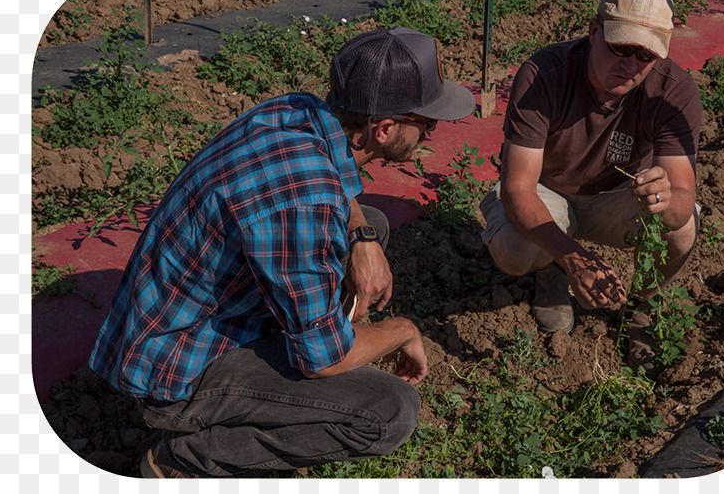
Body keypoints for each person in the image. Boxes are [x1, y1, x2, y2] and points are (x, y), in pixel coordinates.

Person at [88, 26, 475, 478]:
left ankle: (308, 345)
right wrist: (402, 330)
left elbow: (332, 181)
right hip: (178, 370)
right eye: (426, 124)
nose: (430, 133)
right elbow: (322, 360)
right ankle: (184, 462)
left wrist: (363, 238)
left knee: (375, 224)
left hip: (175, 324)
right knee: (390, 412)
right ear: (384, 128)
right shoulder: (305, 200)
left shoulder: (296, 111)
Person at [479, 0, 701, 376]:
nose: (630, 65)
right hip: (546, 192)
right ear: (594, 31)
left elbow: (683, 195)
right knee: (515, 248)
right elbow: (517, 188)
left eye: (644, 55)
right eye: (620, 48)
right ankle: (548, 270)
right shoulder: (545, 75)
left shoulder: (673, 91)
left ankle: (641, 307)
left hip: (616, 193)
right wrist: (573, 258)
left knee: (682, 229)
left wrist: (669, 198)